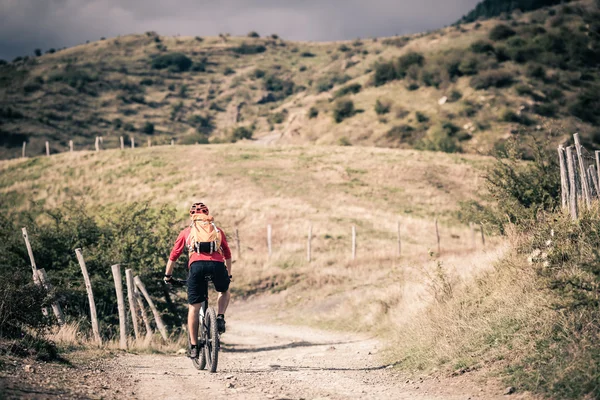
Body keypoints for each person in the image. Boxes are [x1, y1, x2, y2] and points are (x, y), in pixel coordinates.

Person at [163, 202, 232, 359]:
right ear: (207, 216)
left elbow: (174, 255)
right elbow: (227, 254)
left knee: (194, 308)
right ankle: (220, 317)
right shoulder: (217, 231)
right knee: (224, 291)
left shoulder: (187, 232)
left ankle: (194, 347)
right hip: (217, 266)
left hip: (197, 267)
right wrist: (228, 274)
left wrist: (168, 276)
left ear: (192, 216)